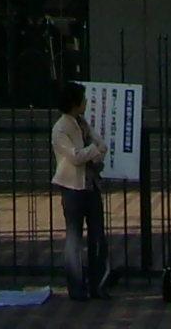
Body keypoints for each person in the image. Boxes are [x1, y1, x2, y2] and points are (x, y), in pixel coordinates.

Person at [50, 81, 111, 301]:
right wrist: (93, 151)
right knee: (74, 238)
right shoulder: (60, 128)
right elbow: (75, 156)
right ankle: (77, 288)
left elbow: (101, 145)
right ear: (73, 103)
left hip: (91, 184)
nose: (86, 102)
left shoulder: (82, 122)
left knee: (98, 236)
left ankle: (98, 285)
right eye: (83, 99)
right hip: (72, 188)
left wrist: (94, 152)